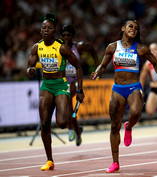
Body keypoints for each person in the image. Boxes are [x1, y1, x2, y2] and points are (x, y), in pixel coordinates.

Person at [90, 20, 157, 173]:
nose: (134, 29)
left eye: (136, 28)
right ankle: (115, 162)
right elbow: (104, 64)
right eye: (130, 26)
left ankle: (129, 126)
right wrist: (97, 72)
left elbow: (156, 64)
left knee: (136, 113)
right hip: (117, 89)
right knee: (114, 126)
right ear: (123, 28)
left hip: (134, 87)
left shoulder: (141, 49)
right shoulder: (112, 47)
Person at [27, 13, 84, 171]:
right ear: (40, 31)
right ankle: (50, 160)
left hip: (61, 85)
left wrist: (80, 89)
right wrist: (30, 71)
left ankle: (71, 124)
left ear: (54, 31)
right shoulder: (36, 47)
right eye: (43, 28)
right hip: (46, 85)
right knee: (44, 124)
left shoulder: (62, 47)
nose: (46, 30)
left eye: (49, 28)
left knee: (61, 123)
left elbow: (78, 66)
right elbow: (29, 66)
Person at [60, 25, 99, 146]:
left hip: (76, 80)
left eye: (68, 35)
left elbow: (92, 50)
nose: (66, 37)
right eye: (64, 35)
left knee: (68, 106)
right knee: (69, 110)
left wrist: (98, 68)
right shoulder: (58, 47)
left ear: (72, 36)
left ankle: (72, 128)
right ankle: (76, 130)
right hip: (64, 81)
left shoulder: (78, 46)